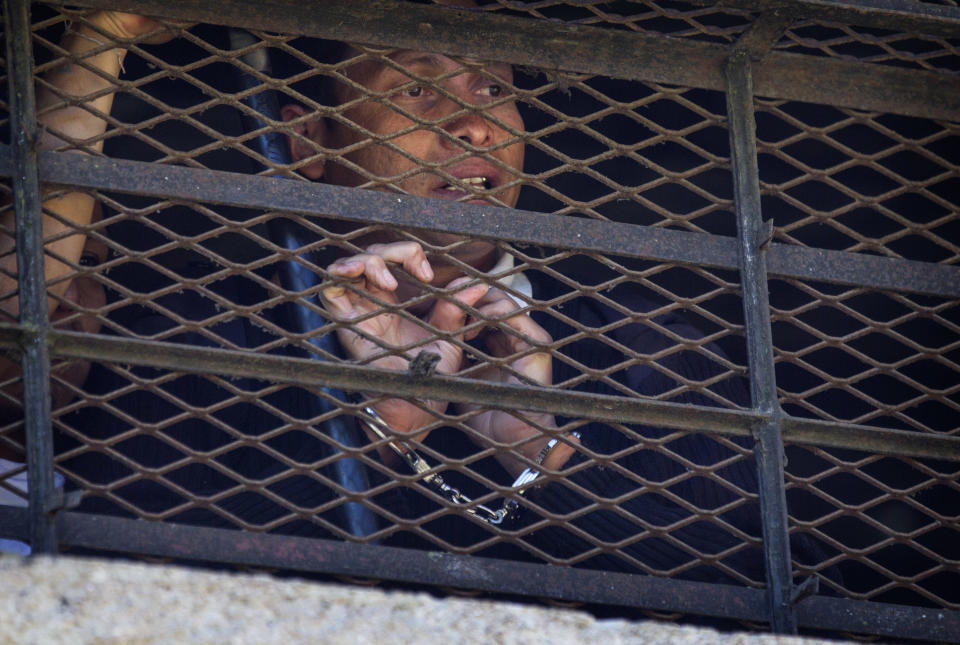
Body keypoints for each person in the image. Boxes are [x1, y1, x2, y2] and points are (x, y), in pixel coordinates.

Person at [22, 8, 829, 584]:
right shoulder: (210, 322)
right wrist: (381, 427)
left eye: (490, 89)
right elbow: (155, 547)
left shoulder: (645, 340)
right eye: (417, 91)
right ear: (309, 140)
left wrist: (537, 450)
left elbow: (757, 577)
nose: (475, 126)